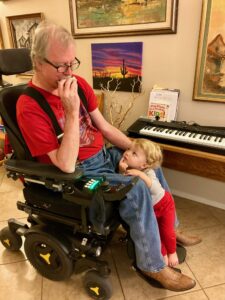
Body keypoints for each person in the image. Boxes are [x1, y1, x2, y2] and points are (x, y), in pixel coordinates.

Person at [17, 20, 197, 292]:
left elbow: (103, 127)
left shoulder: (77, 82)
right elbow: (65, 164)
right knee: (136, 187)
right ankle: (152, 264)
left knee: (150, 168)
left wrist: (137, 148)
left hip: (103, 156)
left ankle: (168, 229)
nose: (69, 72)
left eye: (71, 63)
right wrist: (69, 110)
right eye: (61, 66)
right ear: (38, 62)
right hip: (77, 173)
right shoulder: (29, 106)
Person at [119, 138, 180, 267]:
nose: (128, 153)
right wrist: (122, 170)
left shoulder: (149, 172)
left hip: (165, 204)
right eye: (129, 149)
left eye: (134, 153)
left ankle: (172, 251)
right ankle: (162, 254)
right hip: (152, 209)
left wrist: (140, 175)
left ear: (144, 165)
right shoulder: (131, 168)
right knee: (156, 232)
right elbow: (124, 183)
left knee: (168, 232)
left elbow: (155, 188)